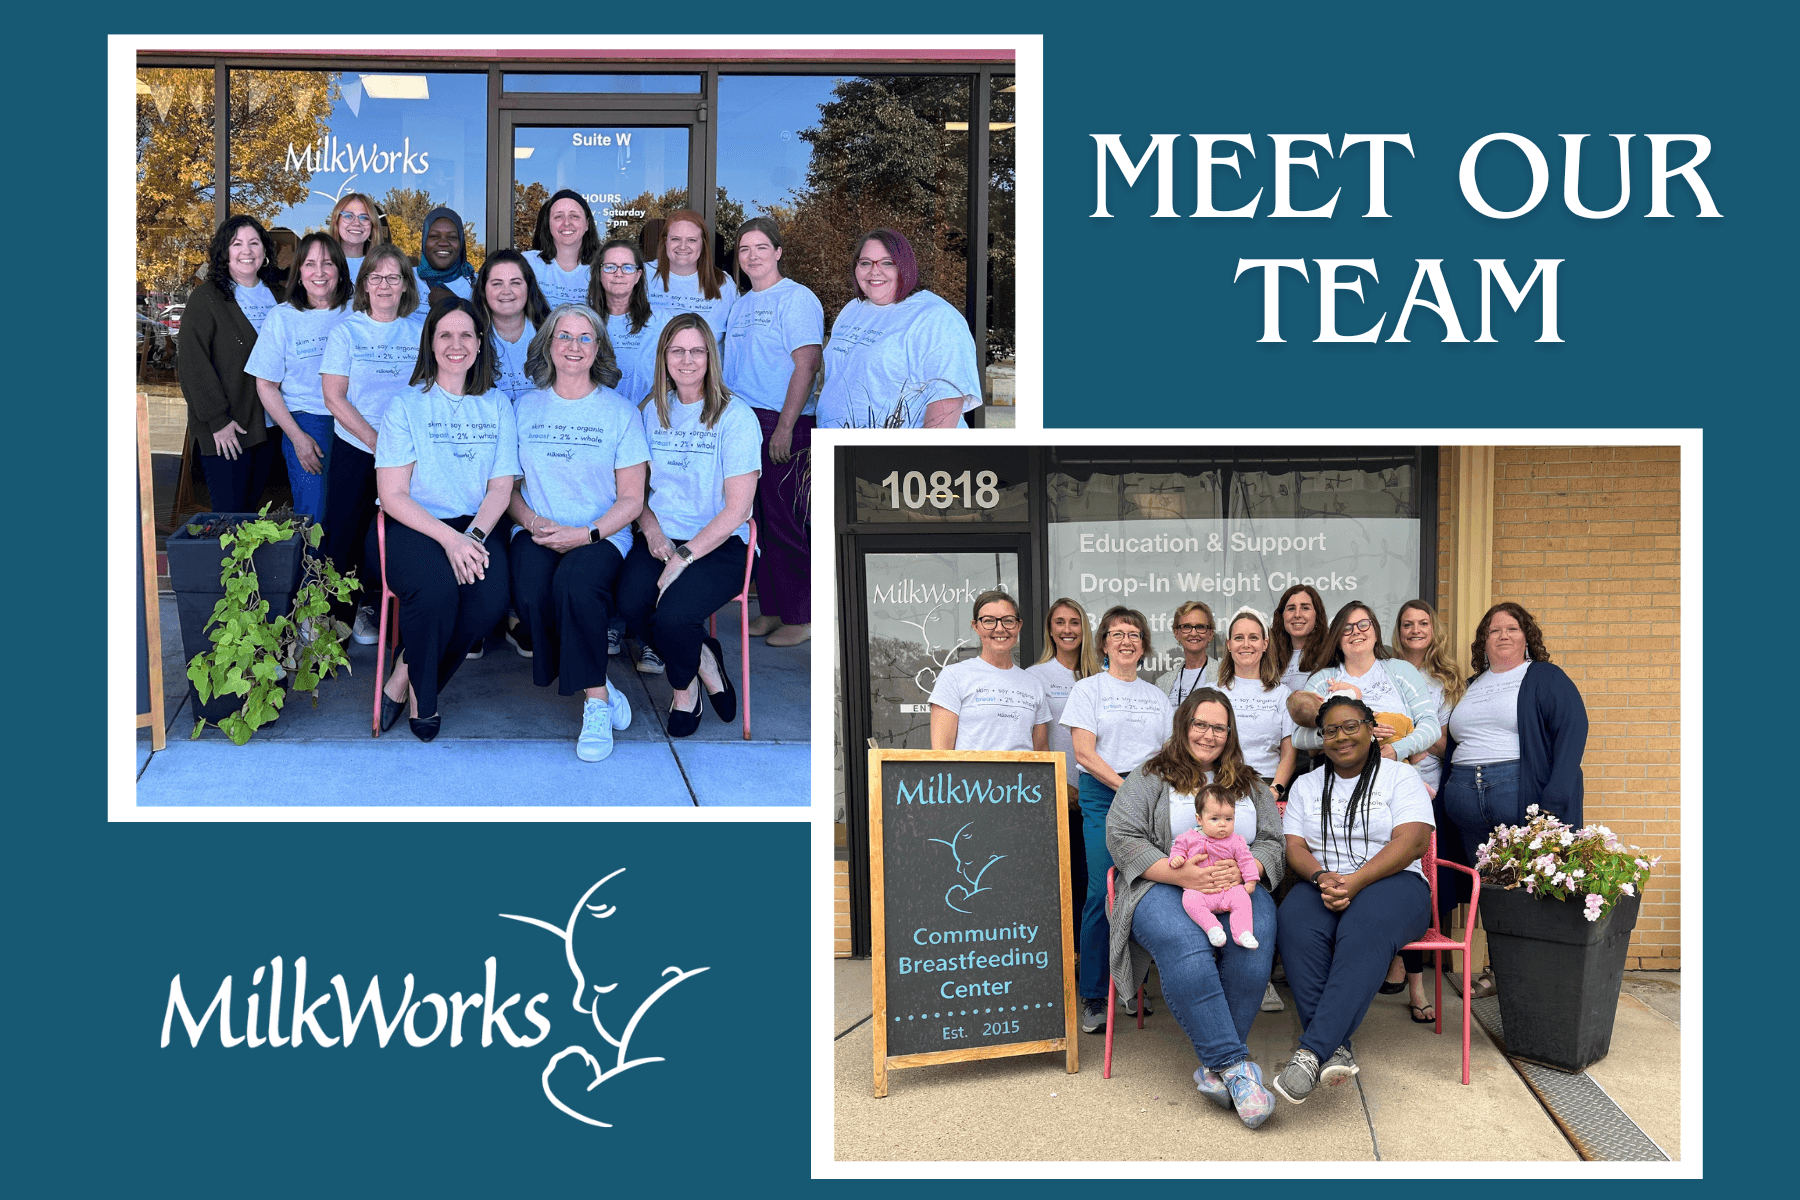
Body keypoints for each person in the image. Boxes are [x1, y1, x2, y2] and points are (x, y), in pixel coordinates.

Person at [1105, 687, 1284, 1128]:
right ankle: (1237, 1068)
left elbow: (1272, 843)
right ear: (1184, 725)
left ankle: (1215, 1068)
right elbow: (1122, 835)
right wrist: (1180, 874)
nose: (1208, 734)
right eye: (1199, 724)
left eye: (1218, 727)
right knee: (1189, 949)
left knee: (1251, 949)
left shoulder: (1251, 784)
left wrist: (1248, 872)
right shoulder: (1150, 776)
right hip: (1164, 886)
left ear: (1231, 732)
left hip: (1238, 887)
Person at [1271, 694, 1433, 1106]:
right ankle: (1335, 1048)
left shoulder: (1399, 776)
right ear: (1320, 739)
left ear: (1369, 727)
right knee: (1294, 920)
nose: (1341, 737)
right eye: (1330, 731)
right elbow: (1295, 847)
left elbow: (1413, 841)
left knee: (1365, 925)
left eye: (1351, 726)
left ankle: (1311, 1053)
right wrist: (1323, 876)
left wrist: (1356, 881)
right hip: (1324, 881)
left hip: (1396, 883)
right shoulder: (1308, 785)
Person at [372, 297, 519, 742]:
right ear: (431, 344)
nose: (457, 344)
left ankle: (405, 671)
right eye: (445, 335)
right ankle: (424, 696)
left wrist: (470, 537)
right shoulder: (406, 405)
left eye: (466, 335)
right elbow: (392, 494)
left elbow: (501, 488)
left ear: (479, 344)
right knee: (436, 594)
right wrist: (450, 541)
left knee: (490, 600)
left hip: (476, 525)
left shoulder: (497, 405)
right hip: (415, 525)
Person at [506, 304, 648, 762]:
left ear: (598, 349)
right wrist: (530, 521)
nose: (573, 346)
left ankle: (596, 704)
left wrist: (586, 534)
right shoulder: (523, 407)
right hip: (538, 527)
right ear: (548, 344)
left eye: (585, 338)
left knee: (575, 587)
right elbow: (505, 487)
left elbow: (632, 499)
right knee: (528, 593)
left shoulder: (620, 412)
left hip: (601, 535)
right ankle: (600, 677)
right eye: (564, 336)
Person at [615, 314, 759, 737]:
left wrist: (684, 556)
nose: (687, 359)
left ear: (710, 357)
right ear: (663, 357)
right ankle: (703, 658)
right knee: (630, 602)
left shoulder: (736, 417)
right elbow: (635, 493)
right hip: (661, 537)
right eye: (677, 350)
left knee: (673, 619)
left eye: (697, 350)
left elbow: (738, 509)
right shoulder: (647, 411)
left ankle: (685, 692)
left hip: (720, 543)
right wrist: (654, 533)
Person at [1440, 602, 1589, 997]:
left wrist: (1555, 798)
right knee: (1487, 886)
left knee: (1524, 886)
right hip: (1464, 797)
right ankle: (1496, 970)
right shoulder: (1471, 686)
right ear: (1483, 642)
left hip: (1517, 792)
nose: (1503, 635)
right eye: (1493, 630)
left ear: (1527, 638)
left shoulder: (1543, 677)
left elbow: (1573, 730)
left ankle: (1524, 974)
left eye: (1512, 628)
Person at [1061, 606, 1174, 1036]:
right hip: (1102, 794)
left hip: (1150, 794)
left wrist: (1148, 792)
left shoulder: (1157, 697)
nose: (1126, 640)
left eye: (1135, 634)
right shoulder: (1088, 690)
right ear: (1104, 643)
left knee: (1146, 887)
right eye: (1117, 633)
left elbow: (1168, 755)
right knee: (1101, 889)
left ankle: (1133, 988)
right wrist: (1127, 789)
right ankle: (1093, 992)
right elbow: (1084, 753)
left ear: (1144, 646)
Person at [723, 218, 823, 648]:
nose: (753, 256)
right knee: (756, 521)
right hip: (745, 422)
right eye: (745, 249)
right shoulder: (742, 302)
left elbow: (807, 363)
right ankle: (773, 609)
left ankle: (802, 616)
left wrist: (784, 426)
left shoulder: (796, 299)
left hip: (783, 422)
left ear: (778, 252)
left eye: (762, 247)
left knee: (786, 521)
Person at [321, 246, 427, 642]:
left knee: (399, 538)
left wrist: (400, 447)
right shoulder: (346, 331)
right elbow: (334, 397)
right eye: (376, 277)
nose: (384, 285)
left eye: (393, 277)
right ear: (364, 284)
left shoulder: (419, 332)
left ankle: (381, 611)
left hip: (407, 454)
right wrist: (377, 441)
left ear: (405, 285)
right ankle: (333, 627)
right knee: (344, 537)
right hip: (356, 448)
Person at [1382, 598, 1466, 1021]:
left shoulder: (1446, 679)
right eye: (1407, 624)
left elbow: (1444, 743)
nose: (1415, 630)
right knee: (1392, 872)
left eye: (1423, 623)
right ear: (1398, 631)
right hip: (1391, 783)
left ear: (1434, 629)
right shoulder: (1388, 673)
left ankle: (1416, 984)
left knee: (1423, 879)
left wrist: (1414, 731)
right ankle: (1399, 963)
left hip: (1429, 788)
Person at [816, 228, 983, 429]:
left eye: (887, 263)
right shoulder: (853, 309)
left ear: (905, 266)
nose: (874, 271)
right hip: (841, 451)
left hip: (897, 457)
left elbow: (946, 402)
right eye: (865, 263)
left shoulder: (936, 318)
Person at [178, 216, 283, 513]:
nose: (246, 251)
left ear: (264, 251)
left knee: (257, 515)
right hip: (229, 430)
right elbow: (191, 364)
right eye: (236, 244)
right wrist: (217, 420)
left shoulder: (279, 296)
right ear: (224, 252)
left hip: (271, 426)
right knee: (230, 516)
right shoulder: (206, 298)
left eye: (254, 242)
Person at [246, 231, 351, 523]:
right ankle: (312, 570)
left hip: (354, 422)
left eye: (328, 263)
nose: (319, 272)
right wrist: (297, 438)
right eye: (310, 264)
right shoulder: (282, 317)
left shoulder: (357, 312)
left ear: (340, 271)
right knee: (313, 517)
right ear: (299, 272)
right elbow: (265, 385)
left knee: (350, 513)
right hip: (308, 424)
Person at [1027, 597, 1103, 939]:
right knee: (1063, 878)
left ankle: (1087, 954)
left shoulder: (1099, 676)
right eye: (1060, 622)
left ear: (1084, 629)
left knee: (1093, 879)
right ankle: (1063, 953)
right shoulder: (1035, 677)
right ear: (1050, 630)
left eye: (1074, 622)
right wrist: (1060, 785)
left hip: (1097, 792)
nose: (1067, 629)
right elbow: (1034, 740)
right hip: (1059, 793)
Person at [1288, 601, 1442, 767]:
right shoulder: (1322, 680)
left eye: (1363, 625)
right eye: (1347, 628)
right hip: (1340, 782)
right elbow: (1299, 737)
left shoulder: (1402, 671)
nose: (1356, 631)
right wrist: (1356, 731)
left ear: (1376, 633)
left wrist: (1398, 749)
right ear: (1338, 640)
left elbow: (1431, 726)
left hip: (1395, 777)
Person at [927, 590, 1051, 752]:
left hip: (1023, 778)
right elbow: (941, 753)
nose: (999, 629)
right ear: (976, 626)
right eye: (989, 621)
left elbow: (1041, 754)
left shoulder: (1033, 684)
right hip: (971, 777)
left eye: (1008, 621)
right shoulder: (954, 677)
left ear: (1019, 626)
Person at [1215, 607, 1299, 798]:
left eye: (1253, 638)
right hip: (1221, 788)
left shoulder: (1282, 695)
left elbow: (1289, 755)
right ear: (1228, 644)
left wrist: (1275, 790)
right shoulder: (1213, 693)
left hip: (1267, 786)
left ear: (1264, 644)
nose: (1246, 644)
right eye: (1238, 638)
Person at [1168, 785, 1263, 949]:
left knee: (1243, 899)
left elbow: (1246, 860)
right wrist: (1177, 858)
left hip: (1228, 889)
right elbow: (1178, 849)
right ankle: (1212, 928)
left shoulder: (1235, 841)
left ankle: (1243, 932)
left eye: (1228, 819)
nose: (1222, 825)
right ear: (1199, 819)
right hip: (1200, 891)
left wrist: (1251, 881)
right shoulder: (1188, 837)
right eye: (1214, 819)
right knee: (1189, 900)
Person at [587, 237, 669, 404]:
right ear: (599, 273)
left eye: (627, 267)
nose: (619, 274)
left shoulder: (661, 322)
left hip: (643, 418)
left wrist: (640, 411)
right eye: (610, 267)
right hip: (593, 417)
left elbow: (671, 379)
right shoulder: (582, 320)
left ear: (638, 275)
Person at [643, 208, 737, 337]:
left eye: (691, 240)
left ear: (702, 244)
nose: (682, 246)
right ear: (665, 241)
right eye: (675, 239)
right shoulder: (642, 276)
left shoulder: (723, 284)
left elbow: (736, 340)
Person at [473, 249, 551, 403]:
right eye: (497, 284)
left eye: (515, 283)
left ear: (528, 287)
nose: (506, 291)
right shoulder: (469, 335)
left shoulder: (550, 333)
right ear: (483, 289)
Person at [533, 190, 601, 309]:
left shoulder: (605, 268)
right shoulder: (529, 264)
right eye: (558, 217)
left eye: (574, 216)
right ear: (548, 224)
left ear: (587, 224)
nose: (566, 223)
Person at [1154, 600, 1219, 706]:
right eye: (1187, 627)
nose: (1193, 633)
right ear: (1177, 633)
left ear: (1210, 634)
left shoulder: (1225, 677)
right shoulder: (1162, 683)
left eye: (1200, 627)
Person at [1271, 583, 1331, 694]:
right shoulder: (1270, 656)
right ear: (1281, 616)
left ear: (1317, 616)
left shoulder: (1330, 655)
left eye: (1305, 608)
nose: (1297, 614)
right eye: (1291, 609)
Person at [417, 207, 475, 305]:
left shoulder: (477, 284)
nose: (443, 243)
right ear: (424, 242)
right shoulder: (406, 280)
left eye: (452, 237)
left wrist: (450, 302)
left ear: (461, 243)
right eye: (434, 236)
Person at [327, 192, 383, 281]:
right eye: (348, 216)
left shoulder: (384, 267)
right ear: (336, 222)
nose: (356, 223)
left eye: (364, 218)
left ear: (372, 226)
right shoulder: (320, 266)